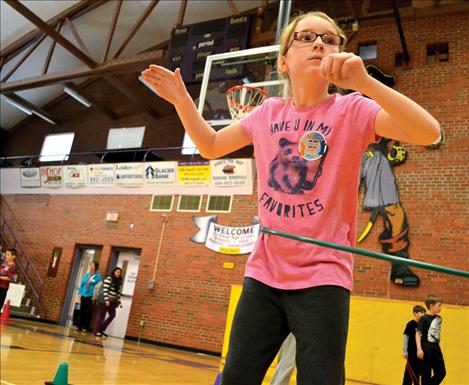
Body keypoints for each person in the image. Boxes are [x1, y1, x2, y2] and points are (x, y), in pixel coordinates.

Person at [142, 11, 440, 385]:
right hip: (264, 272)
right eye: (306, 37)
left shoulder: (352, 109)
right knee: (237, 377)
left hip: (323, 275)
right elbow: (211, 144)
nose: (319, 43)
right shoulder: (267, 112)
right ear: (283, 60)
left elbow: (428, 132)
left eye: (330, 39)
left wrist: (366, 83)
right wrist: (181, 99)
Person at [416, 295, 446, 385]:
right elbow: (417, 334)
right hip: (426, 348)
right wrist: (419, 349)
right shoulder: (424, 318)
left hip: (436, 348)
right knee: (426, 374)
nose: (441, 307)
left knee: (441, 373)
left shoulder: (439, 319)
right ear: (431, 306)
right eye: (439, 305)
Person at [94, 267, 122, 338]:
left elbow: (117, 292)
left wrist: (119, 300)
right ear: (114, 272)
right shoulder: (109, 279)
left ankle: (101, 329)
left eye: (119, 272)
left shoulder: (118, 281)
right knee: (101, 316)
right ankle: (97, 331)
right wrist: (106, 300)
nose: (118, 273)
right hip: (104, 300)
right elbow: (105, 290)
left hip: (112, 301)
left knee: (112, 315)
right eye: (117, 272)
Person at [402, 305, 426, 385]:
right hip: (411, 354)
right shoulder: (410, 324)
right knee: (409, 374)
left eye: (424, 313)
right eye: (421, 312)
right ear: (415, 313)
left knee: (418, 374)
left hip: (420, 355)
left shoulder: (423, 325)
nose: (423, 314)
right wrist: (405, 351)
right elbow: (405, 337)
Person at [76, 261, 102, 332]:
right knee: (81, 311)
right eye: (90, 265)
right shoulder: (86, 275)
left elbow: (99, 287)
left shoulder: (98, 277)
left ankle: (86, 327)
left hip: (91, 296)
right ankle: (79, 326)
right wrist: (79, 293)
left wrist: (95, 296)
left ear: (96, 267)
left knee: (88, 312)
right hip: (83, 295)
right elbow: (82, 284)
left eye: (92, 265)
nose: (91, 266)